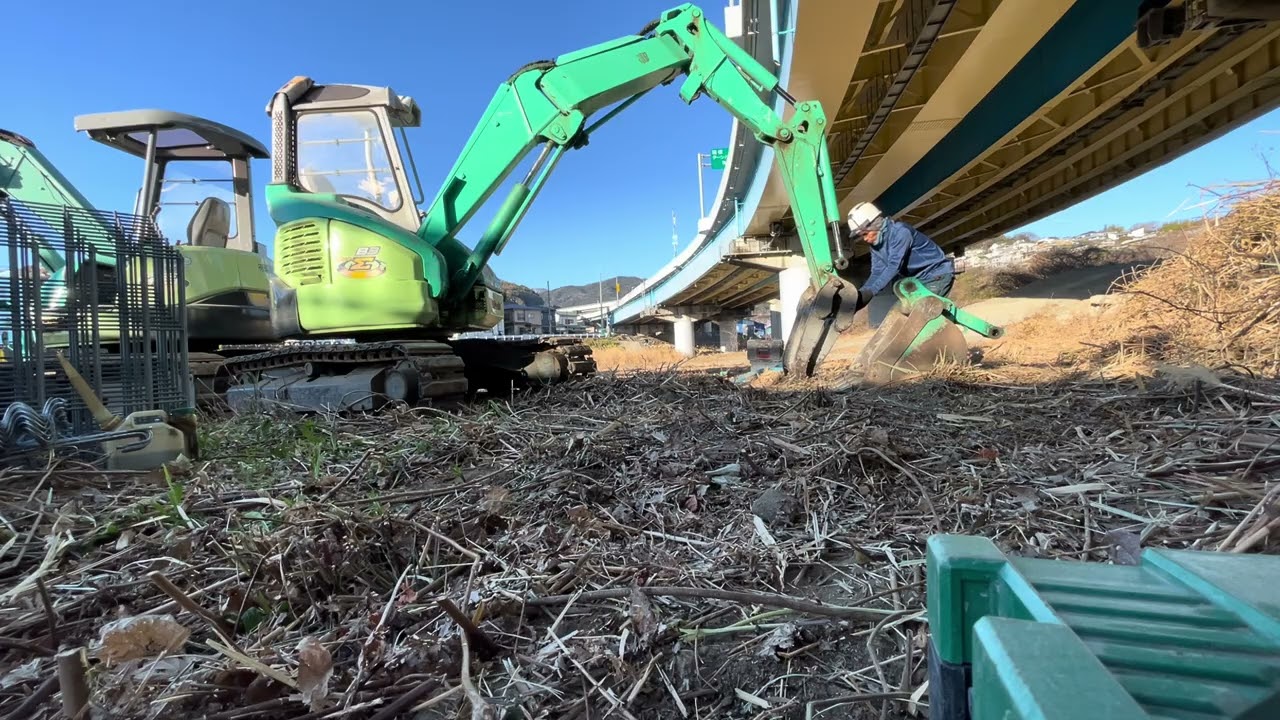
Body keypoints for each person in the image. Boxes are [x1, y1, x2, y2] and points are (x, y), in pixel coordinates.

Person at [846, 201, 954, 307]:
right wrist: (861, 295)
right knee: (900, 313)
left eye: (865, 233)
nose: (865, 239)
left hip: (936, 275)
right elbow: (877, 272)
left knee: (921, 312)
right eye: (861, 236)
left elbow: (894, 266)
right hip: (918, 281)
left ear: (875, 225)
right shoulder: (875, 246)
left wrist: (871, 292)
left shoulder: (901, 232)